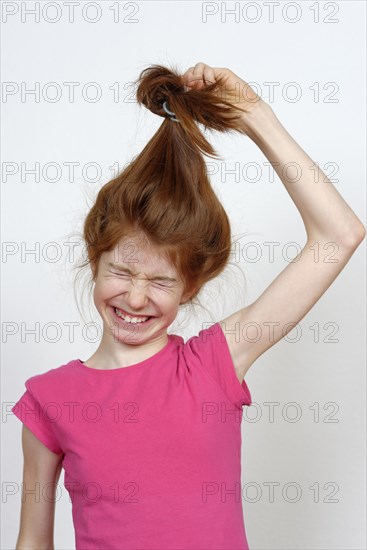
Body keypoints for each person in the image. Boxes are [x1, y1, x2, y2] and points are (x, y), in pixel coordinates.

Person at [11, 62, 365, 550]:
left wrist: (253, 116)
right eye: (121, 272)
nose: (135, 298)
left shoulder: (215, 364)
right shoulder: (49, 401)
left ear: (191, 288)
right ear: (94, 260)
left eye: (160, 281)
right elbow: (33, 542)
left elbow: (340, 235)